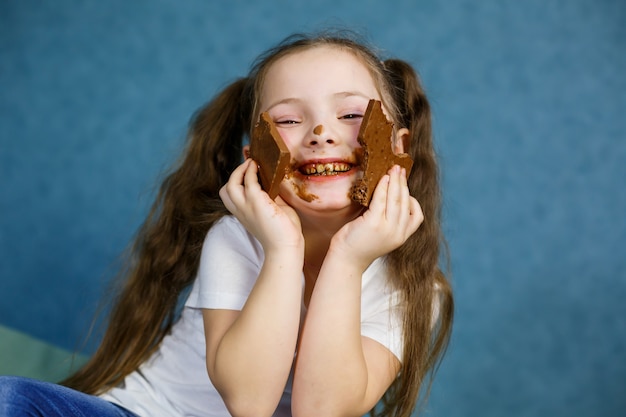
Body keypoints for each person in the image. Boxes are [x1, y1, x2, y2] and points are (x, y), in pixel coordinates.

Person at [0, 31, 453, 417]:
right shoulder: (239, 239)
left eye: (351, 115)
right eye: (290, 120)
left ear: (400, 147)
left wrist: (349, 260)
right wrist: (282, 250)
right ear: (255, 156)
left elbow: (321, 410)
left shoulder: (413, 287)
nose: (321, 133)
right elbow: (249, 402)